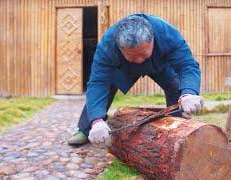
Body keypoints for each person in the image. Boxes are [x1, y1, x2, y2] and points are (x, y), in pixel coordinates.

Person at [67, 13, 203, 146]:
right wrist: (96, 120)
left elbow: (187, 65)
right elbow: (98, 82)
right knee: (106, 88)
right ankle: (86, 129)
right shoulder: (107, 45)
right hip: (125, 69)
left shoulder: (167, 34)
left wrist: (189, 93)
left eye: (143, 53)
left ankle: (177, 128)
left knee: (176, 86)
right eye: (132, 55)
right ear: (120, 48)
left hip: (159, 65)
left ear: (152, 41)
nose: (138, 60)